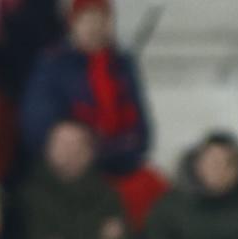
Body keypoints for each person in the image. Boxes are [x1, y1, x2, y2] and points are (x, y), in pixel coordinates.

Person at [20, 0, 151, 177]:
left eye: (101, 20)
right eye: (88, 20)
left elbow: (142, 131)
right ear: (73, 24)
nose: (95, 28)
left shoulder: (122, 65)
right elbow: (37, 124)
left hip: (122, 165)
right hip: (69, 170)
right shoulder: (53, 64)